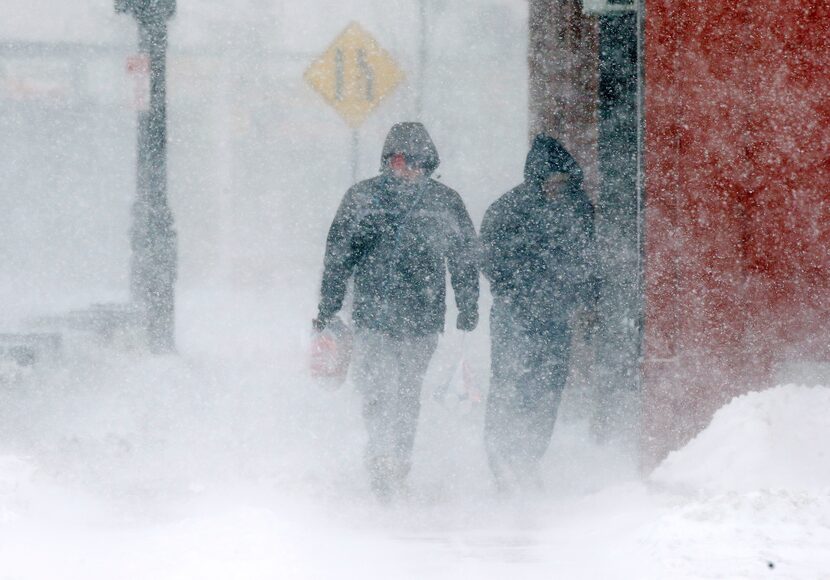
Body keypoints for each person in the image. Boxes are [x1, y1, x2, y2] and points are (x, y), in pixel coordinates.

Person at [313, 122, 480, 501]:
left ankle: (398, 461)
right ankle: (381, 459)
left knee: (405, 394)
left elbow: (464, 258)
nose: (407, 169)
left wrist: (468, 304)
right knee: (377, 390)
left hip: (422, 322)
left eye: (415, 162)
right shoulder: (363, 199)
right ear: (387, 162)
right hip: (373, 318)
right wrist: (328, 305)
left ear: (428, 164)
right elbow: (338, 257)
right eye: (399, 161)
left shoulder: (444, 202)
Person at [479, 134, 598, 493]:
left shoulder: (578, 208)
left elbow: (591, 257)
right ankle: (503, 459)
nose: (556, 188)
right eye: (551, 181)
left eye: (563, 181)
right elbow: (487, 256)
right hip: (514, 313)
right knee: (510, 383)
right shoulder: (508, 208)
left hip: (556, 315)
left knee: (547, 387)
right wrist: (520, 283)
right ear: (537, 178)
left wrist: (588, 298)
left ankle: (528, 458)